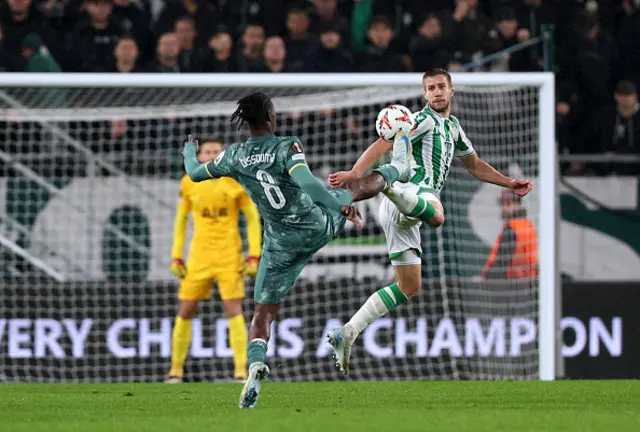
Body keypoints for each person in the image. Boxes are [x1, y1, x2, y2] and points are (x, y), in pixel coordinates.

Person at [181, 91, 413, 408]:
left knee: (263, 314)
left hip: (279, 244)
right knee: (350, 187)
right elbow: (309, 184)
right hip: (314, 224)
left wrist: (189, 153)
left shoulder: (233, 156)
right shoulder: (286, 146)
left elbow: (194, 173)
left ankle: (255, 366)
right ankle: (398, 168)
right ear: (271, 116)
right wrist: (339, 206)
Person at [328, 68, 533, 375]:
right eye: (430, 88)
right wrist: (356, 174)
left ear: (451, 91)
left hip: (402, 209)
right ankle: (387, 185)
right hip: (416, 194)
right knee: (438, 216)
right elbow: (383, 143)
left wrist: (508, 183)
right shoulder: (422, 120)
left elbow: (474, 165)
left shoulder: (453, 127)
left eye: (441, 86)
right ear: (424, 95)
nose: (436, 92)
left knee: (409, 285)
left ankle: (347, 332)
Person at [167, 139, 263, 384]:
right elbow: (180, 220)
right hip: (198, 255)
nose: (211, 155)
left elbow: (252, 217)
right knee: (186, 309)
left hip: (228, 254)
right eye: (207, 152)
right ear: (199, 155)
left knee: (234, 310)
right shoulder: (189, 182)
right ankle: (175, 371)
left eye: (216, 152)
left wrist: (254, 254)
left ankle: (241, 371)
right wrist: (176, 255)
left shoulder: (233, 180)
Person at [480, 189, 538, 280]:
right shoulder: (527, 225)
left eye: (504, 204)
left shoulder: (512, 228)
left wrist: (487, 281)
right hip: (527, 282)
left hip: (510, 285)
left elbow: (500, 264)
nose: (502, 208)